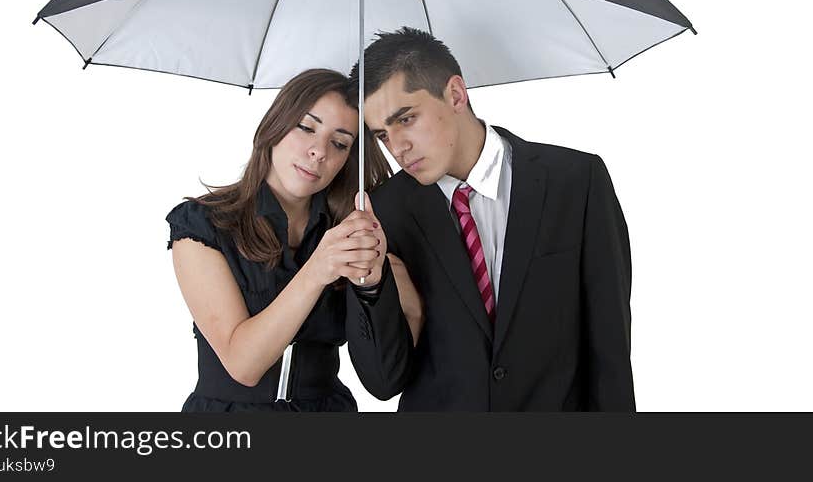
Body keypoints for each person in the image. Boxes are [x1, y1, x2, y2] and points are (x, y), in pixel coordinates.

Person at [343, 27, 635, 411]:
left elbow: (609, 352)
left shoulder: (576, 182)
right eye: (382, 135)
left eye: (407, 119)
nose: (398, 147)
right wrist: (369, 285)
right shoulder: (381, 215)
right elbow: (383, 382)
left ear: (455, 94)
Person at [166, 68, 399, 412]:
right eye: (306, 127)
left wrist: (373, 283)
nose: (319, 151)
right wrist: (317, 269)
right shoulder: (201, 226)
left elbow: (384, 378)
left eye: (339, 143)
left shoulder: (350, 231)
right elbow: (243, 364)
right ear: (274, 125)